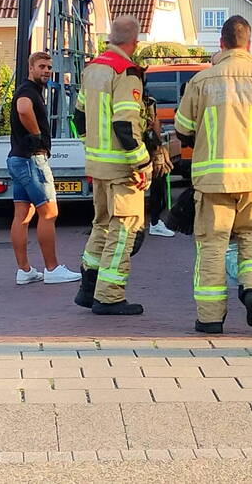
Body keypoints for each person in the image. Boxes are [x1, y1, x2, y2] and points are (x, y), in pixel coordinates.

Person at [174, 15, 252, 333]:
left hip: (214, 180)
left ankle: (210, 318)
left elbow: (183, 128)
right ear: (249, 44)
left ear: (221, 43)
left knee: (212, 246)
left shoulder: (201, 81)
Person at [72, 16, 152, 315]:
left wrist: (91, 148)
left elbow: (79, 116)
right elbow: (124, 125)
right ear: (135, 43)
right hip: (121, 169)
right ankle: (109, 296)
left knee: (102, 226)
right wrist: (142, 163)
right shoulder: (125, 72)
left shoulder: (93, 69)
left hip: (98, 165)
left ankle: (88, 288)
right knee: (123, 232)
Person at [5, 51, 81, 285]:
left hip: (17, 159)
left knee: (22, 215)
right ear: (31, 68)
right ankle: (52, 269)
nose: (47, 71)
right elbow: (23, 108)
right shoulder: (28, 91)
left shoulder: (29, 89)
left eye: (49, 67)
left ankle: (24, 270)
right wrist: (37, 134)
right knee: (49, 213)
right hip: (32, 160)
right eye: (42, 66)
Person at [144, 93, 176, 237]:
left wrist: (158, 148)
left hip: (145, 146)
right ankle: (154, 223)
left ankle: (155, 222)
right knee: (156, 183)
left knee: (157, 183)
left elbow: (155, 122)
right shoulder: (146, 101)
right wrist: (158, 148)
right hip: (142, 147)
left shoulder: (148, 101)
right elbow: (155, 123)